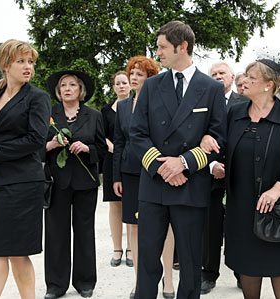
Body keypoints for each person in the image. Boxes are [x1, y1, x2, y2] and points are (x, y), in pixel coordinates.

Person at [129, 21, 227, 299]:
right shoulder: (151, 85)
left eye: (162, 47)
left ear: (181, 46)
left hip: (190, 186)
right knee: (148, 260)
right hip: (154, 186)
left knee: (191, 261)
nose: (157, 52)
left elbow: (218, 138)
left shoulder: (211, 88)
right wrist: (164, 167)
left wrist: (182, 163)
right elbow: (137, 134)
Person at [205, 59, 280, 299]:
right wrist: (216, 163)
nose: (244, 81)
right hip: (241, 205)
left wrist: (276, 190)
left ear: (268, 85)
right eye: (245, 77)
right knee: (248, 266)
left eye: (252, 78)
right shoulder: (235, 112)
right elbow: (223, 146)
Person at [0, 39, 51, 299]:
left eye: (30, 61)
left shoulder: (38, 98)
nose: (28, 66)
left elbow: (35, 140)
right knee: (0, 250)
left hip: (24, 183)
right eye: (21, 61)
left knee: (16, 252)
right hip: (1, 183)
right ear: (5, 65)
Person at [113, 56, 175, 299]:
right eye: (132, 73)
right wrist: (116, 175)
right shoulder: (123, 107)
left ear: (151, 78)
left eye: (140, 74)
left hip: (157, 172)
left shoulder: (162, 103)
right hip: (130, 173)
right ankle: (139, 282)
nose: (134, 78)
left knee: (166, 227)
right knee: (135, 229)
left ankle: (168, 281)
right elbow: (119, 143)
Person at [44, 70, 107, 299]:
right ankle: (55, 285)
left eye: (72, 85)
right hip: (56, 181)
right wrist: (50, 145)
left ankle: (85, 282)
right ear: (58, 92)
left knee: (84, 232)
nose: (67, 88)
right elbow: (35, 147)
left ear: (81, 90)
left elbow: (102, 150)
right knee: (55, 232)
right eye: (63, 86)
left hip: (85, 182)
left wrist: (87, 149)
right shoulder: (48, 115)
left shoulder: (94, 115)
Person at [201, 61, 248, 294]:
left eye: (222, 73)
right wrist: (211, 165)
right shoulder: (202, 102)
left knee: (239, 226)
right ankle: (208, 274)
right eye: (213, 74)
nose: (218, 76)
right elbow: (196, 137)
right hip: (211, 175)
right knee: (210, 227)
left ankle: (242, 273)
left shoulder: (246, 103)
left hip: (240, 176)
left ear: (232, 77)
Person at [101, 71, 133, 267]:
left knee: (129, 204)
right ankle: (117, 248)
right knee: (114, 205)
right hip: (110, 159)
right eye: (118, 83)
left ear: (130, 85)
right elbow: (100, 134)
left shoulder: (137, 106)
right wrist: (112, 146)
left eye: (125, 83)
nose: (121, 86)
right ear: (113, 87)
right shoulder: (106, 111)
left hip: (130, 160)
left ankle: (131, 247)